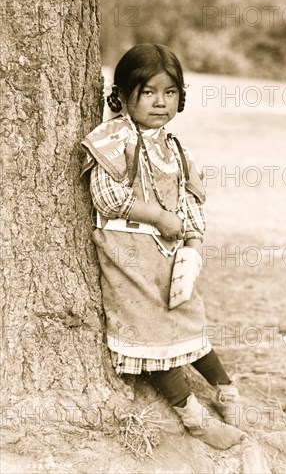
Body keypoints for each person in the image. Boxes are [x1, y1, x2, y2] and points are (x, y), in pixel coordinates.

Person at [81, 44, 244, 449]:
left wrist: (192, 239)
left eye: (169, 92)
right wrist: (157, 216)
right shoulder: (112, 139)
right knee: (149, 330)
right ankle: (193, 417)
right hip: (128, 253)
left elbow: (189, 201)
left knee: (187, 316)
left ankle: (226, 389)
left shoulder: (174, 148)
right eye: (148, 91)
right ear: (122, 94)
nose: (160, 102)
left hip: (170, 254)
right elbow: (108, 198)